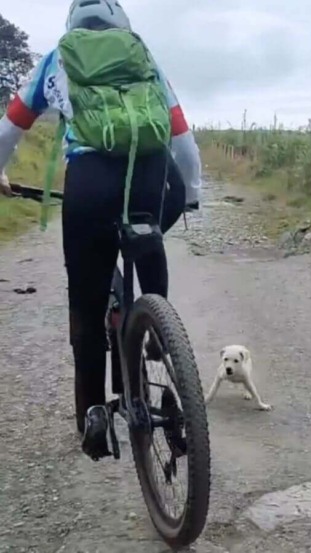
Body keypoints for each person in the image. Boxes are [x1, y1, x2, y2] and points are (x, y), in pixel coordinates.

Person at [0, 0, 203, 453]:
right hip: (153, 178)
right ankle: (155, 328)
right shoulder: (143, 55)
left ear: (73, 25)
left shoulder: (57, 58)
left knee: (86, 301)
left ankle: (93, 413)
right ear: (121, 24)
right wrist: (191, 191)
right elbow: (182, 138)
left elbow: (9, 130)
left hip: (90, 185)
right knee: (147, 235)